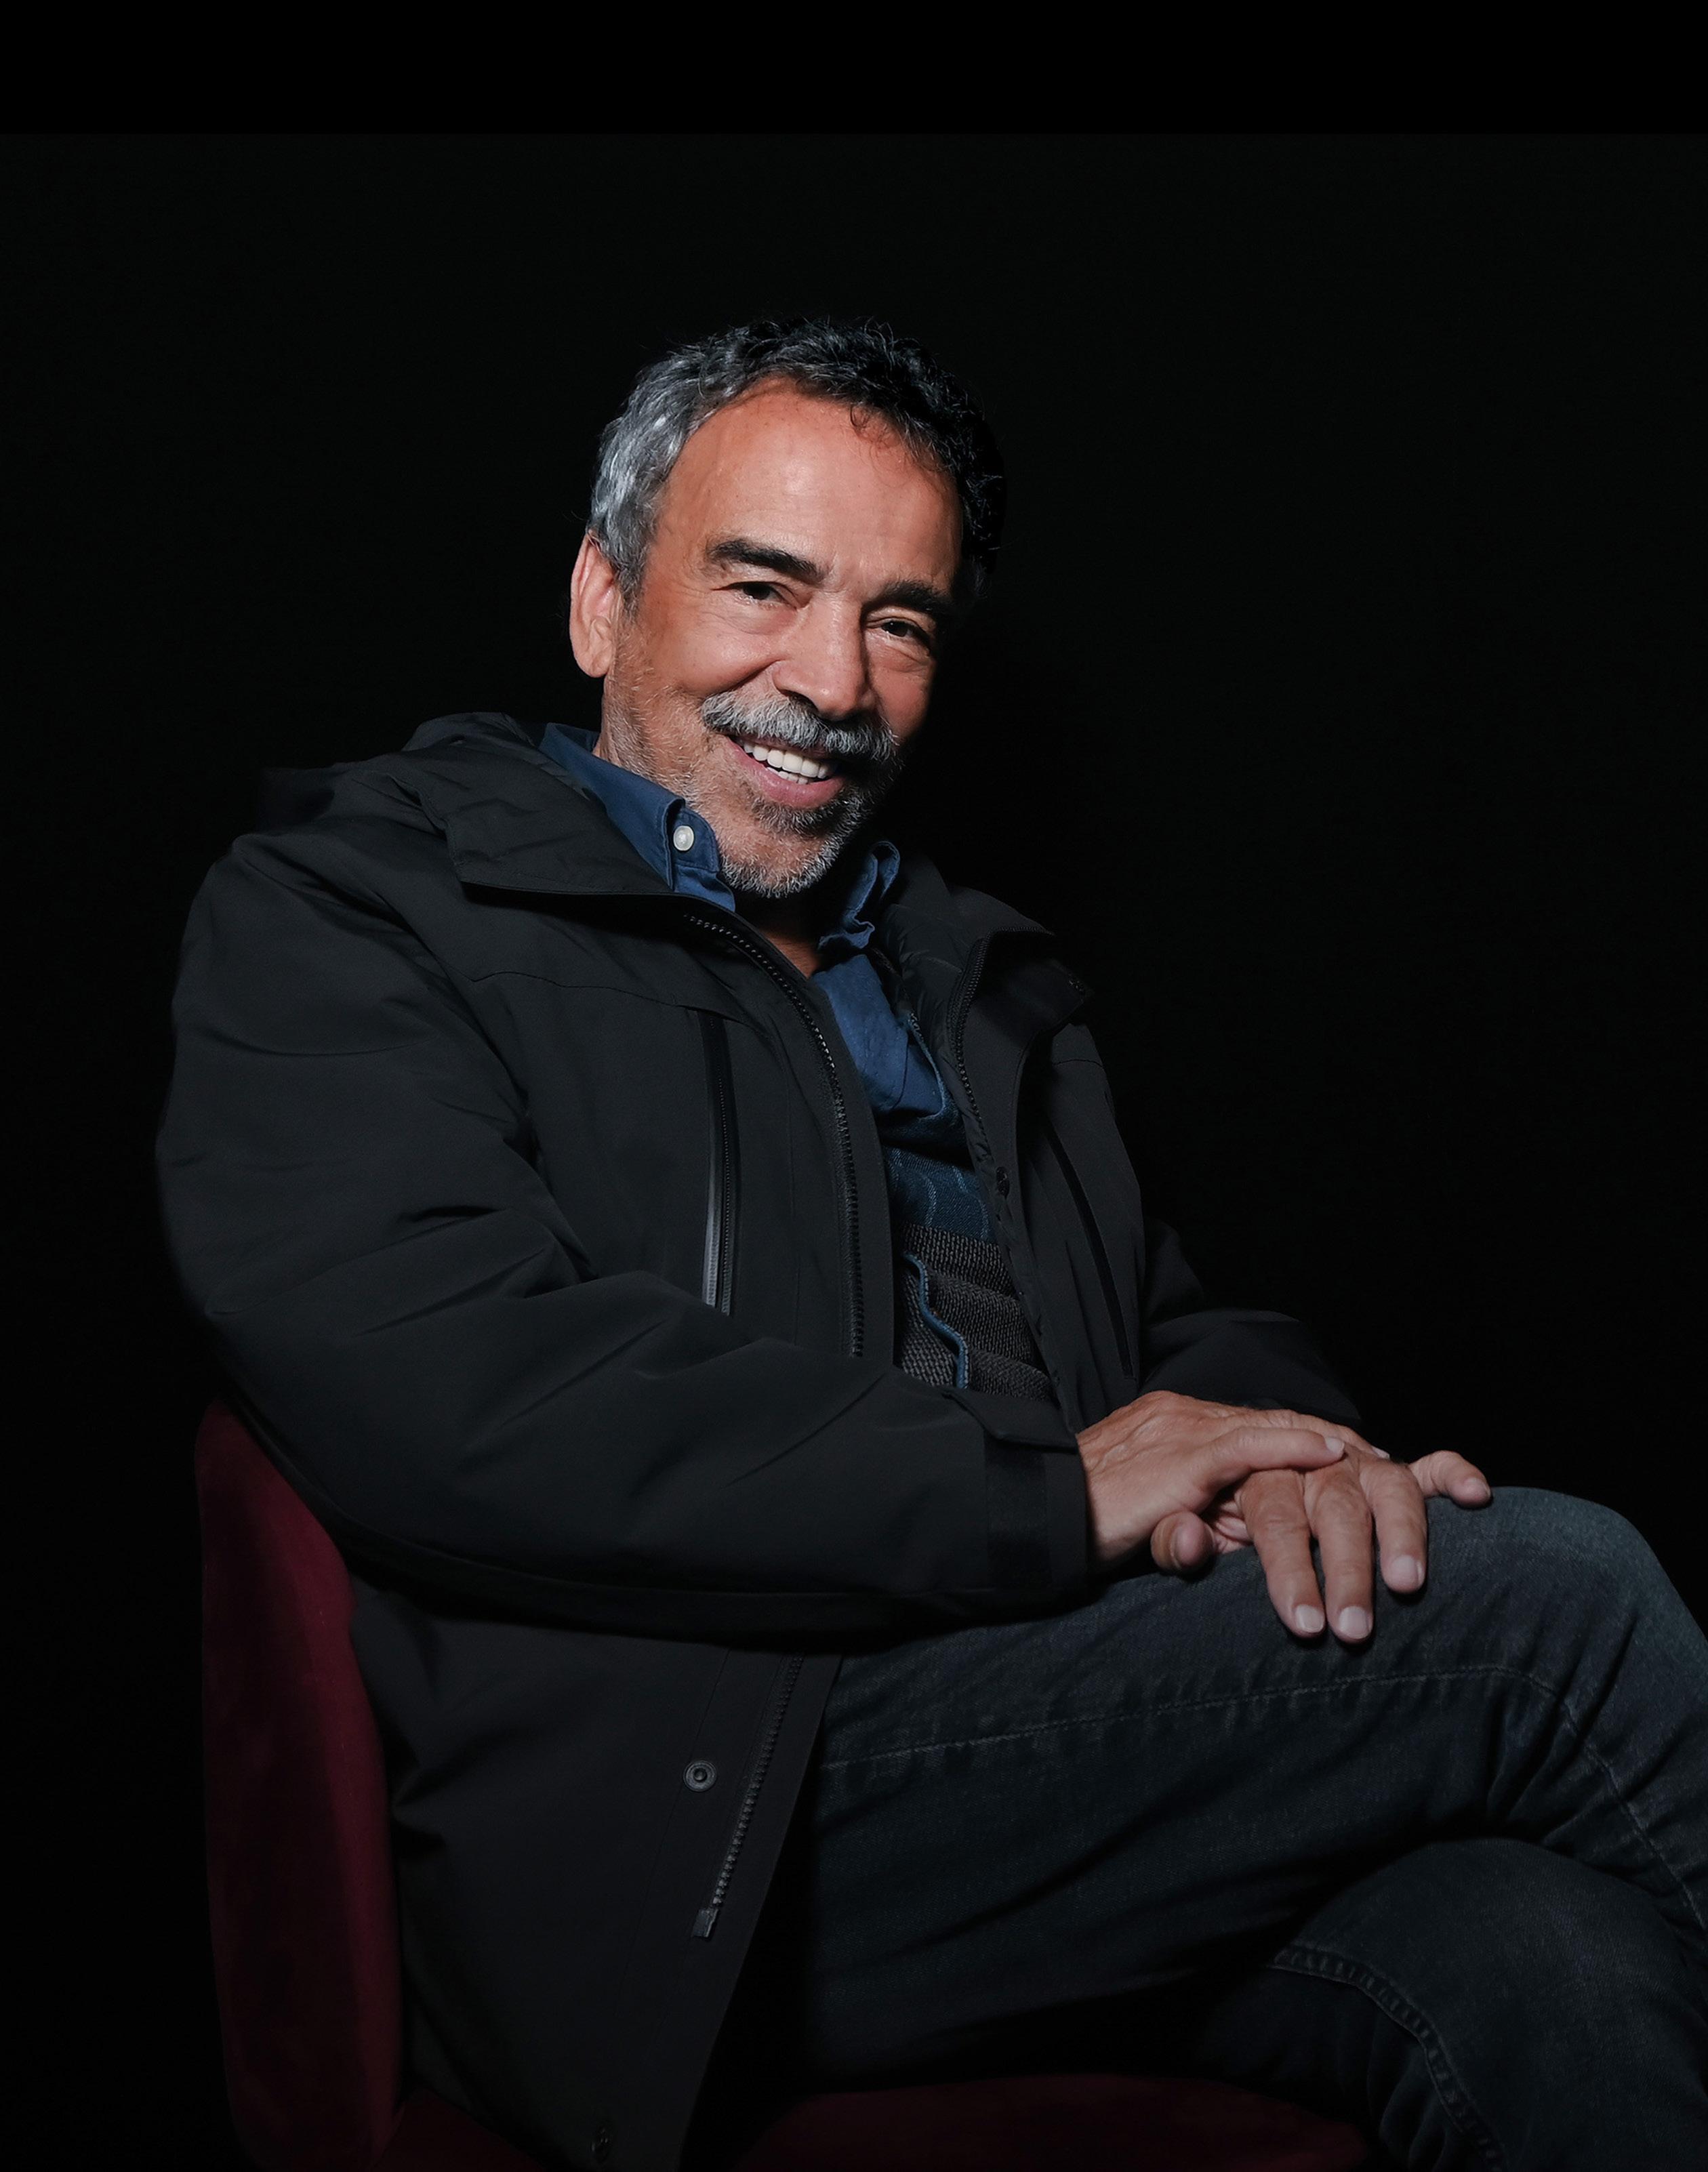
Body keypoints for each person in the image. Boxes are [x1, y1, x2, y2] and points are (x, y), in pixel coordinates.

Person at [159, 320, 1708, 2171]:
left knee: (1557, 1963)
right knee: (1555, 1605)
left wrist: (1297, 1461)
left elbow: (1173, 1323)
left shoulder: (967, 980)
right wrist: (1049, 1493)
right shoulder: (362, 909)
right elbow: (442, 1378)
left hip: (1068, 1732)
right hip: (707, 1823)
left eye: (898, 622)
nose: (833, 681)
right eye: (763, 588)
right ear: (601, 599)